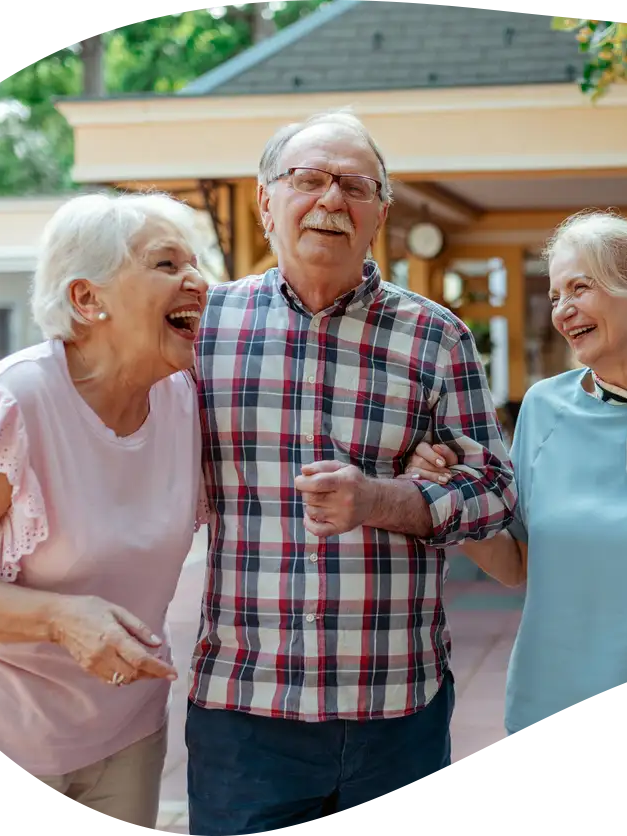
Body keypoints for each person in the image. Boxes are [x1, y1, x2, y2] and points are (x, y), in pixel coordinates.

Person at [187, 110, 517, 836]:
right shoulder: (203, 329)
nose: (332, 200)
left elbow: (493, 492)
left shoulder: (435, 336)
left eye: (356, 186)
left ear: (380, 215)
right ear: (264, 201)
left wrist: (385, 498)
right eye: (309, 179)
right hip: (247, 711)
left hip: (397, 708)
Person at [0, 192, 210, 835]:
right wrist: (59, 617)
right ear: (87, 299)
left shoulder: (186, 399)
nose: (196, 281)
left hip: (125, 732)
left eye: (195, 264)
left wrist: (413, 462)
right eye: (166, 264)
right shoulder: (9, 408)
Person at [403, 210, 627, 836]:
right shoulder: (545, 406)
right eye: (555, 293)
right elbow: (518, 563)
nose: (563, 309)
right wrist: (450, 495)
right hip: (557, 717)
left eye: (581, 288)